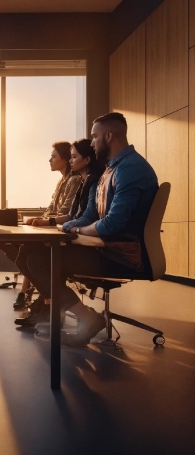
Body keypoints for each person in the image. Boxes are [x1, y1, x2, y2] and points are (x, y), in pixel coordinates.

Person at [25, 112, 158, 346]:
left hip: (122, 255)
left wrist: (77, 232)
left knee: (38, 260)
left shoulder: (129, 169)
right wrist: (69, 226)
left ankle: (88, 318)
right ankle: (76, 316)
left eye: (95, 137)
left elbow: (112, 224)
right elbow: (90, 215)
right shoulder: (111, 170)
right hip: (108, 248)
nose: (93, 143)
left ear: (109, 136)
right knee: (37, 256)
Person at [11, 139, 104, 327]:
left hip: (90, 248)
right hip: (77, 238)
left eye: (74, 157)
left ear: (86, 160)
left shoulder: (89, 182)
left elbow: (85, 217)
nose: (70, 160)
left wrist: (63, 226)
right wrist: (55, 222)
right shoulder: (84, 181)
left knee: (35, 259)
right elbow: (72, 214)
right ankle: (49, 304)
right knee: (25, 255)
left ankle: (67, 311)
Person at [0, 141, 82, 310]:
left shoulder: (75, 181)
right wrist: (36, 219)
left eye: (53, 157)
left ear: (64, 160)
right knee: (5, 243)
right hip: (51, 228)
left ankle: (45, 299)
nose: (49, 160)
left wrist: (43, 221)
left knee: (26, 254)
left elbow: (65, 212)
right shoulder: (62, 182)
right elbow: (51, 208)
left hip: (60, 235)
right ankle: (44, 295)